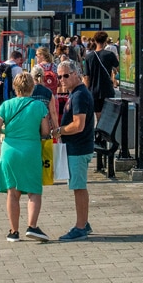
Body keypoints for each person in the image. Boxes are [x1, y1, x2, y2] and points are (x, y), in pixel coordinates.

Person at [0, 71, 51, 241]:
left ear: (14, 87)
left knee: (12, 191)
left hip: (10, 150)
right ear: (32, 87)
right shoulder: (39, 106)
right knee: (34, 190)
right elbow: (45, 131)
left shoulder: (6, 105)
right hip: (31, 150)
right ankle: (32, 226)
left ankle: (13, 231)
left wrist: (7, 132)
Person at [54, 57, 95, 240]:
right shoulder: (75, 93)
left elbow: (78, 125)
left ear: (76, 74)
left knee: (79, 187)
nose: (62, 80)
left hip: (79, 147)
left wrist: (59, 131)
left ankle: (80, 226)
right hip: (76, 146)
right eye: (59, 76)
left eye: (66, 76)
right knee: (77, 185)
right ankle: (83, 221)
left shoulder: (79, 95)